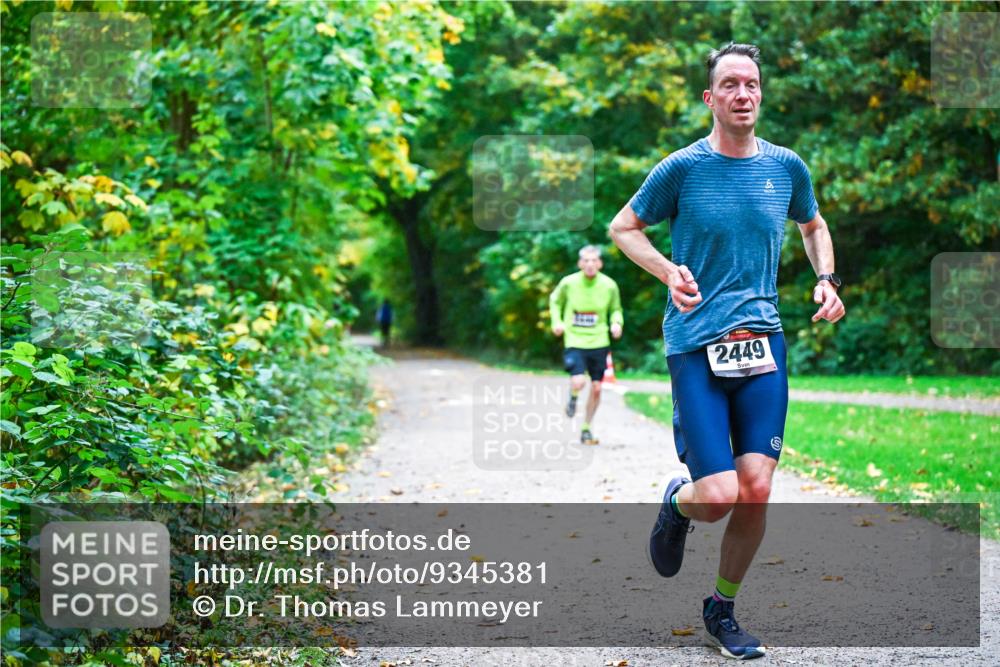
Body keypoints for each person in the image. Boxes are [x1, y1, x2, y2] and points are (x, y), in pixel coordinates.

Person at [610, 42, 845, 660]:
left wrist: (826, 278)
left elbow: (813, 224)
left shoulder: (787, 167)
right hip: (696, 348)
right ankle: (675, 504)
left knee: (757, 489)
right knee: (716, 497)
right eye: (731, 85)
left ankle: (721, 608)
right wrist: (667, 272)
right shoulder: (681, 169)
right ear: (710, 98)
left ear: (761, 94)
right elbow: (622, 228)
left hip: (763, 345)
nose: (744, 94)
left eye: (753, 84)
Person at [548, 245, 624, 445]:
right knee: (578, 381)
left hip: (599, 340)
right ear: (580, 263)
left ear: (600, 263)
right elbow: (554, 300)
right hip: (574, 339)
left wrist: (616, 323)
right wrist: (556, 322)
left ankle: (586, 428)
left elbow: (616, 309)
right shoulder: (569, 283)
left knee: (597, 387)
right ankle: (573, 396)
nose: (590, 265)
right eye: (586, 261)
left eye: (594, 261)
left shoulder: (609, 285)